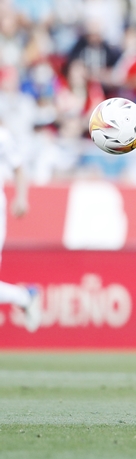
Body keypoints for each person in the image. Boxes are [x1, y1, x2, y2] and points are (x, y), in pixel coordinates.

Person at [0, 122, 40, 332]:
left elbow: (19, 168)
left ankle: (25, 297)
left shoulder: (2, 136)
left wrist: (22, 197)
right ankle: (25, 297)